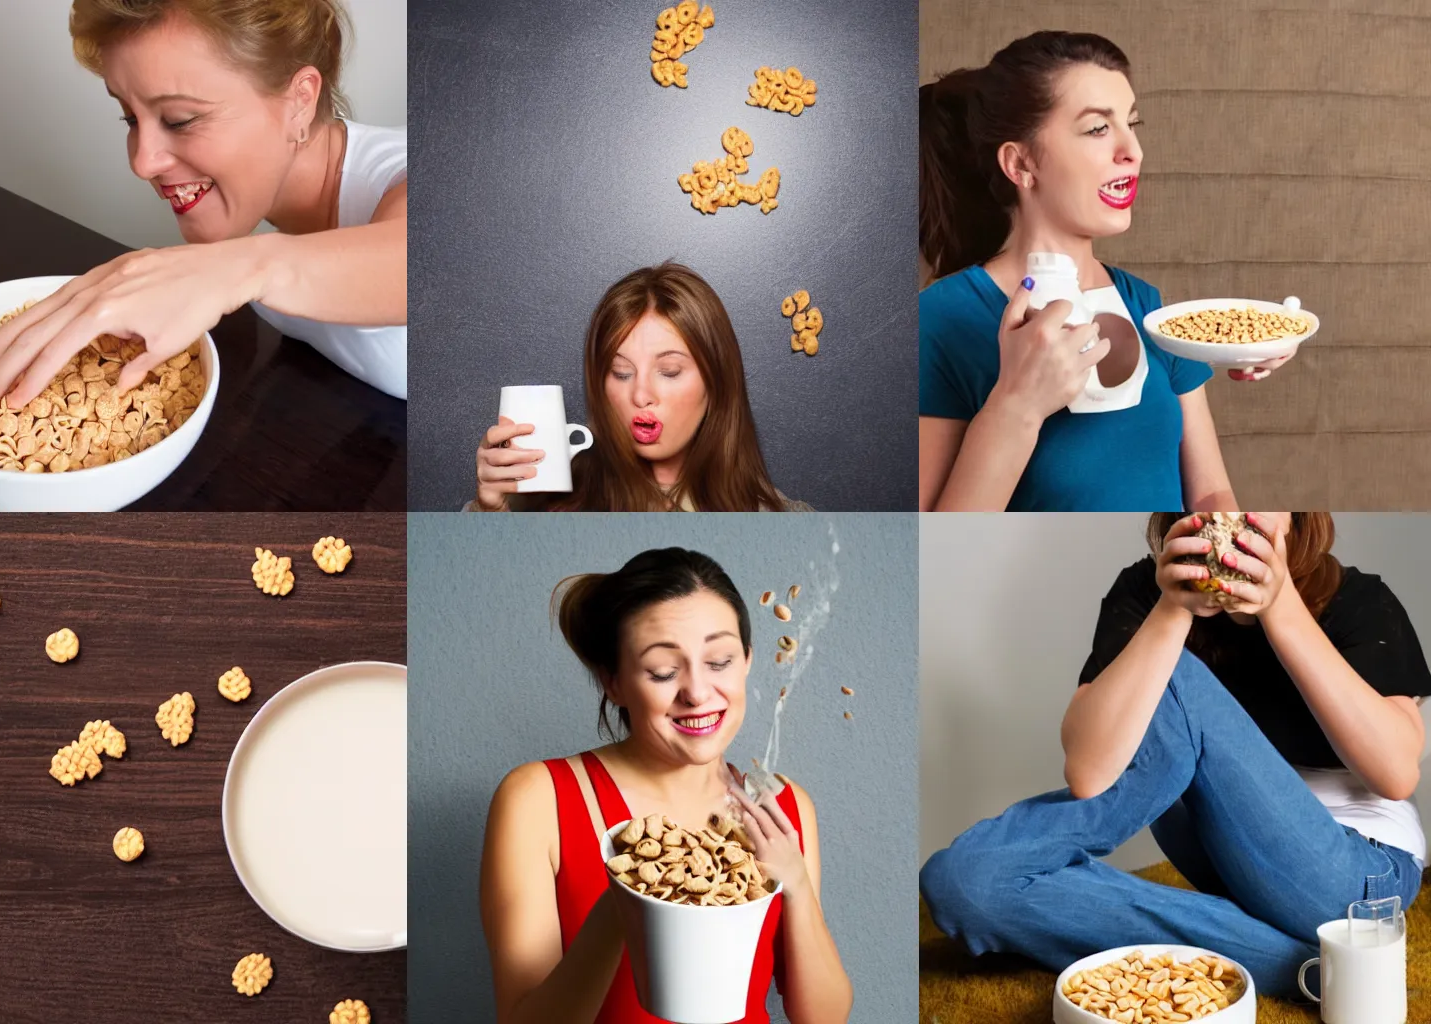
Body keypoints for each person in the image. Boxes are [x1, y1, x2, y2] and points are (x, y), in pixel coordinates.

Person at [921, 513, 1429, 996]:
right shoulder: (1148, 594)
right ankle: (1307, 969)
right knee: (969, 886)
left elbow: (1395, 774)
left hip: (1357, 880)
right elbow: (1092, 773)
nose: (1236, 511)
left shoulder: (1357, 599)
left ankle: (1307, 955)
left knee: (1175, 680)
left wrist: (1280, 608)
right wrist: (1172, 612)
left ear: (1296, 513)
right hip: (1229, 868)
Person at [918, 31, 1292, 511]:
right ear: (1020, 162)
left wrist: (1246, 345)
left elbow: (1210, 492)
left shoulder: (1147, 305)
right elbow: (931, 550)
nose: (1132, 151)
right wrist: (1017, 406)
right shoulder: (940, 321)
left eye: (1132, 124)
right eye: (1098, 129)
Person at [480, 548, 852, 1022]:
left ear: (748, 662)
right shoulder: (538, 798)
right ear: (612, 681)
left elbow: (822, 1018)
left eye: (719, 661)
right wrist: (625, 904)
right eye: (662, 671)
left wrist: (794, 880)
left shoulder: (784, 805)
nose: (697, 692)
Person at [0, 0, 406, 406]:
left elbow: (423, 264)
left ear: (299, 102)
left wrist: (238, 269)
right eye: (129, 117)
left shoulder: (417, 174)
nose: (143, 163)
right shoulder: (256, 209)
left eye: (180, 119)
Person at [470, 263, 811, 511]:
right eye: (621, 372)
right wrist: (491, 514)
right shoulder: (553, 512)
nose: (641, 395)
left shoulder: (785, 523)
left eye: (670, 371)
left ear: (716, 381)